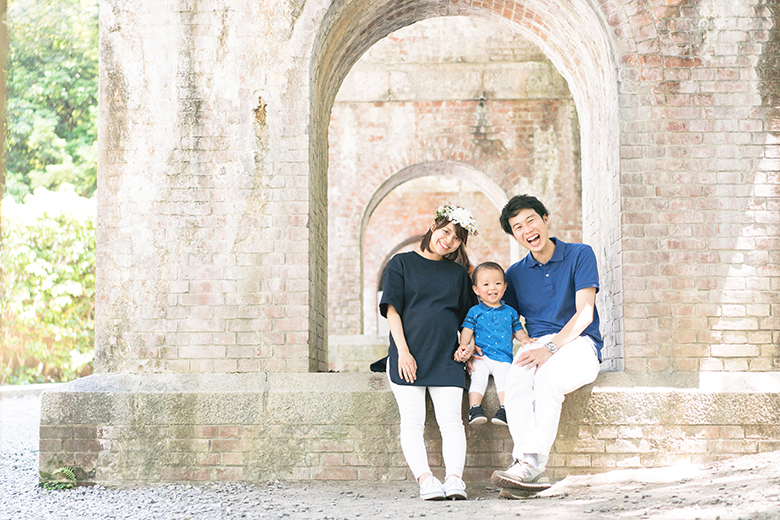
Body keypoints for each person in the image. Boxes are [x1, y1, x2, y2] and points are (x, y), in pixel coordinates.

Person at [489, 194, 602, 497]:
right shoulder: (514, 274)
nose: (527, 230)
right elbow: (506, 319)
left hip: (579, 343)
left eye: (531, 221)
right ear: (514, 236)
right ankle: (526, 462)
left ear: (545, 219)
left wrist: (549, 350)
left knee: (548, 380)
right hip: (537, 343)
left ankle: (532, 465)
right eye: (518, 227)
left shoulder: (580, 254)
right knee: (516, 382)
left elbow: (585, 314)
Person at [377, 204, 478, 501]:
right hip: (408, 354)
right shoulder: (401, 263)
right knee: (412, 420)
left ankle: (455, 479)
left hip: (445, 356)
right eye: (446, 231)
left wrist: (468, 344)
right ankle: (426, 480)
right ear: (434, 226)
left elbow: (468, 317)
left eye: (457, 238)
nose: (448, 240)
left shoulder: (458, 274)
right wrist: (403, 353)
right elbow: (392, 311)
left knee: (451, 421)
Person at [454, 262, 531, 426]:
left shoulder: (510, 311)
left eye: (497, 283)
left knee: (505, 381)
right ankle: (474, 409)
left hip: (503, 358)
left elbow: (517, 329)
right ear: (476, 289)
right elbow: (467, 330)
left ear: (504, 287)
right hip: (481, 357)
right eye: (486, 284)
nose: (492, 288)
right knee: (478, 379)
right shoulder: (475, 311)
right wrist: (463, 345)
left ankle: (504, 409)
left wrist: (524, 338)